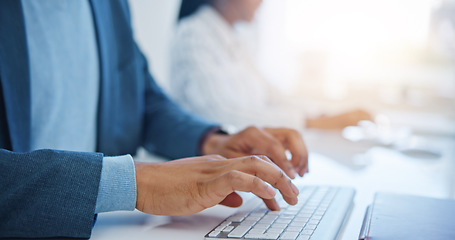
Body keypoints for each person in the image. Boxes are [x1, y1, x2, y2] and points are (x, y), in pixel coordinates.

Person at [0, 0, 308, 239]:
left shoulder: (109, 5)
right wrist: (134, 182)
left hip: (110, 227)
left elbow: (143, 98)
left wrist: (212, 141)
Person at [169, 0, 372, 132]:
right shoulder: (193, 35)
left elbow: (272, 95)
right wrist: (311, 122)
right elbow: (219, 116)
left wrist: (326, 113)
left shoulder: (236, 39)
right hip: (209, 163)